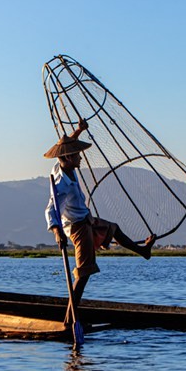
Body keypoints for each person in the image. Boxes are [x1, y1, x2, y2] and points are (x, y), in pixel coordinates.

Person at [44, 119, 156, 317]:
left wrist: (78, 130)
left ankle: (143, 250)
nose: (81, 158)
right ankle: (69, 319)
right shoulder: (61, 182)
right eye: (77, 155)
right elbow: (51, 210)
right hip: (77, 227)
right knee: (84, 272)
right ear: (69, 159)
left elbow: (69, 143)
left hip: (86, 219)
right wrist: (56, 233)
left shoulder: (65, 166)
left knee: (114, 228)